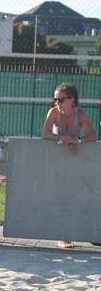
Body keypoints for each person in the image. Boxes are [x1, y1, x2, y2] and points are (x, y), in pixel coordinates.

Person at [41, 83, 97, 249]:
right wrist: (63, 139)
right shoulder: (53, 112)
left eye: (61, 99)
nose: (57, 102)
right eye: (55, 99)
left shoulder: (80, 114)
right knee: (57, 196)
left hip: (74, 159)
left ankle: (70, 233)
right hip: (57, 160)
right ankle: (62, 235)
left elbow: (93, 135)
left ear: (72, 100)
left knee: (74, 196)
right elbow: (45, 134)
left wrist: (78, 141)